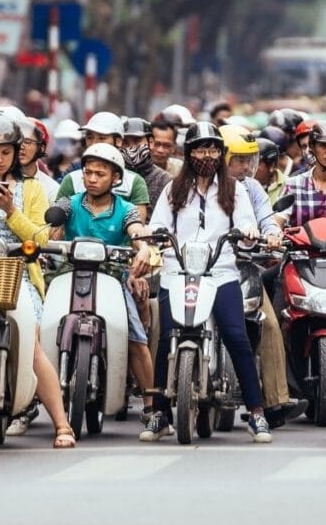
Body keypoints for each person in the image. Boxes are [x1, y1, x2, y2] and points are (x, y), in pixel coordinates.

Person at [148, 122, 272, 442]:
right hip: (177, 271)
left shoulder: (235, 188)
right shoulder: (172, 188)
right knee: (166, 337)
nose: (207, 155)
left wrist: (249, 233)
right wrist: (154, 237)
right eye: (201, 149)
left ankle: (256, 413)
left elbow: (246, 225)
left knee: (237, 336)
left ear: (221, 153)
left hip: (220, 272)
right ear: (189, 154)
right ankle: (159, 414)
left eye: (213, 149)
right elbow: (158, 225)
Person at [48, 144, 156, 420]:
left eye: (100, 174)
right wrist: (52, 231)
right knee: (41, 327)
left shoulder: (127, 209)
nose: (92, 179)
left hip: (112, 279)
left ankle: (152, 407)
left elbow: (136, 230)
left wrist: (142, 247)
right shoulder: (70, 203)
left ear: (116, 179)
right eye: (88, 172)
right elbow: (52, 225)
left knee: (135, 337)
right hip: (68, 276)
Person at [0, 114, 75, 447]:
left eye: (4, 153)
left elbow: (41, 237)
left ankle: (61, 424)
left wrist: (12, 211)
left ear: (16, 153)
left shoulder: (31, 188)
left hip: (16, 274)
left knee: (33, 344)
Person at [219, 125, 307, 427]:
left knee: (268, 325)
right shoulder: (199, 186)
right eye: (238, 160)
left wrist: (271, 234)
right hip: (200, 271)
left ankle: (275, 401)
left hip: (243, 268)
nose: (245, 167)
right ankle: (162, 402)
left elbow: (268, 219)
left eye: (249, 160)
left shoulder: (253, 189)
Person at [56, 112, 150, 222]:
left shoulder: (135, 181)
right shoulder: (71, 179)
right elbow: (56, 227)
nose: (95, 143)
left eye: (102, 138)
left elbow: (137, 230)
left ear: (119, 141)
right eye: (89, 137)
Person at [275, 121, 326, 230]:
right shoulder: (293, 185)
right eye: (323, 145)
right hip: (300, 247)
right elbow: (277, 222)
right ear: (313, 148)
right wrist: (273, 235)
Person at [121, 117, 171, 217]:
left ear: (151, 142)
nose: (132, 148)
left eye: (137, 141)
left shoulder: (165, 180)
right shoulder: (114, 177)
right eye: (126, 143)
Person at [17, 118, 59, 202]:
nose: (21, 146)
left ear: (41, 148)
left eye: (27, 141)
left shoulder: (51, 188)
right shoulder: (1, 180)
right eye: (17, 141)